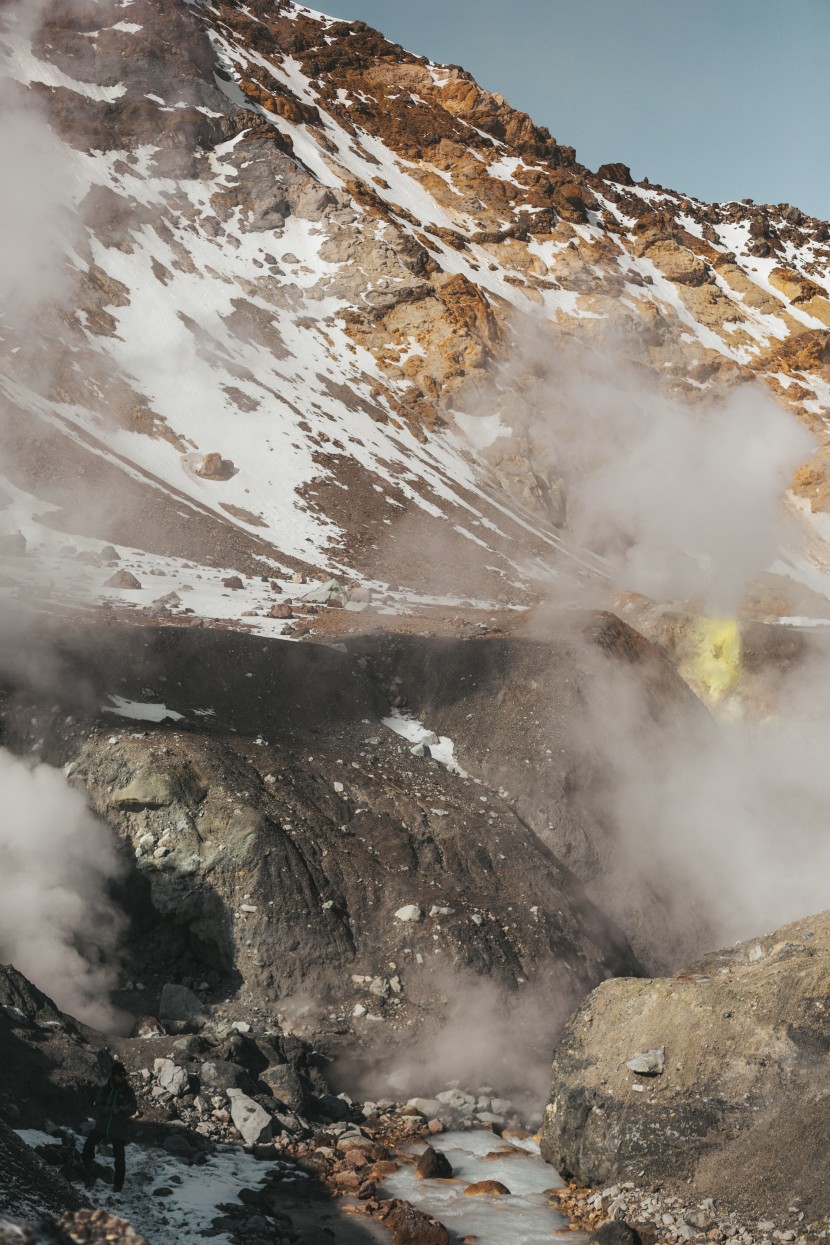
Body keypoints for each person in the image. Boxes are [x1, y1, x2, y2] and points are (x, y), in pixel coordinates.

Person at [82, 1062, 137, 1194]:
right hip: (102, 1126)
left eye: (124, 1074)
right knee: (89, 1143)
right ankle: (86, 1164)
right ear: (113, 1075)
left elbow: (133, 1108)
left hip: (118, 1130)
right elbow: (99, 1108)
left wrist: (125, 1109)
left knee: (119, 1159)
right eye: (120, 1075)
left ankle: (118, 1185)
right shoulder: (104, 1090)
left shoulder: (129, 1092)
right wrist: (112, 1110)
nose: (123, 1077)